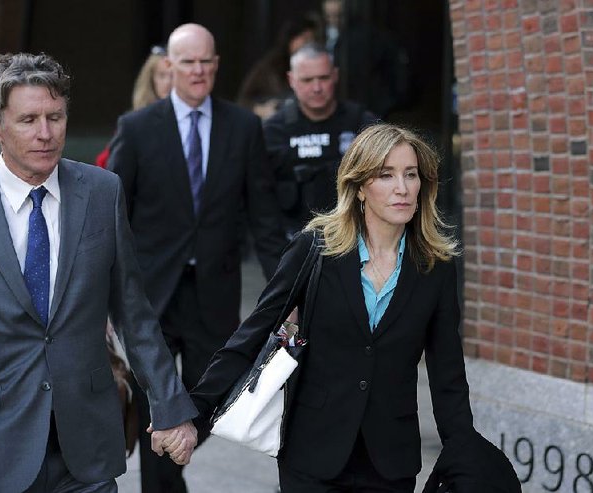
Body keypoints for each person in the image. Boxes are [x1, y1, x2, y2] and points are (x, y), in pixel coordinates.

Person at [191, 123, 519, 492]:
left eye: (410, 175)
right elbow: (250, 336)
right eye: (386, 175)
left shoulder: (434, 266)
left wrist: (464, 456)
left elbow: (447, 373)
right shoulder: (315, 249)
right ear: (360, 186)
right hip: (312, 455)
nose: (402, 188)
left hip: (390, 461)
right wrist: (193, 415)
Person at [0, 52, 197, 493]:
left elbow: (132, 311)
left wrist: (171, 406)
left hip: (85, 441)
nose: (45, 134)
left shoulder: (101, 191)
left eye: (55, 117)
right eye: (29, 120)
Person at [108, 23, 286, 492]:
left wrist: (289, 291)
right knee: (158, 408)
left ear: (217, 65)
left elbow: (265, 221)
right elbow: (114, 215)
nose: (198, 71)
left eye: (207, 61)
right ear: (170, 65)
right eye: (188, 62)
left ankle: (173, 466)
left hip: (216, 293)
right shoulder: (139, 128)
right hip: (152, 298)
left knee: (212, 403)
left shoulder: (243, 127)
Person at [264, 43, 377, 240]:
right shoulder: (274, 132)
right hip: (292, 243)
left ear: (335, 75)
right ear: (291, 80)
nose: (317, 88)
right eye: (307, 80)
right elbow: (260, 200)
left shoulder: (362, 123)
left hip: (355, 238)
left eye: (323, 78)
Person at [95, 46, 172, 168]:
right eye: (162, 76)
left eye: (173, 76)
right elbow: (107, 165)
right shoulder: (134, 123)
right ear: (151, 79)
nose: (168, 82)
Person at [237, 14, 322, 120]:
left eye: (312, 40)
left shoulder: (320, 66)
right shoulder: (271, 66)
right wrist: (261, 109)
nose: (308, 45)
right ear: (291, 40)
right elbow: (243, 100)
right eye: (304, 39)